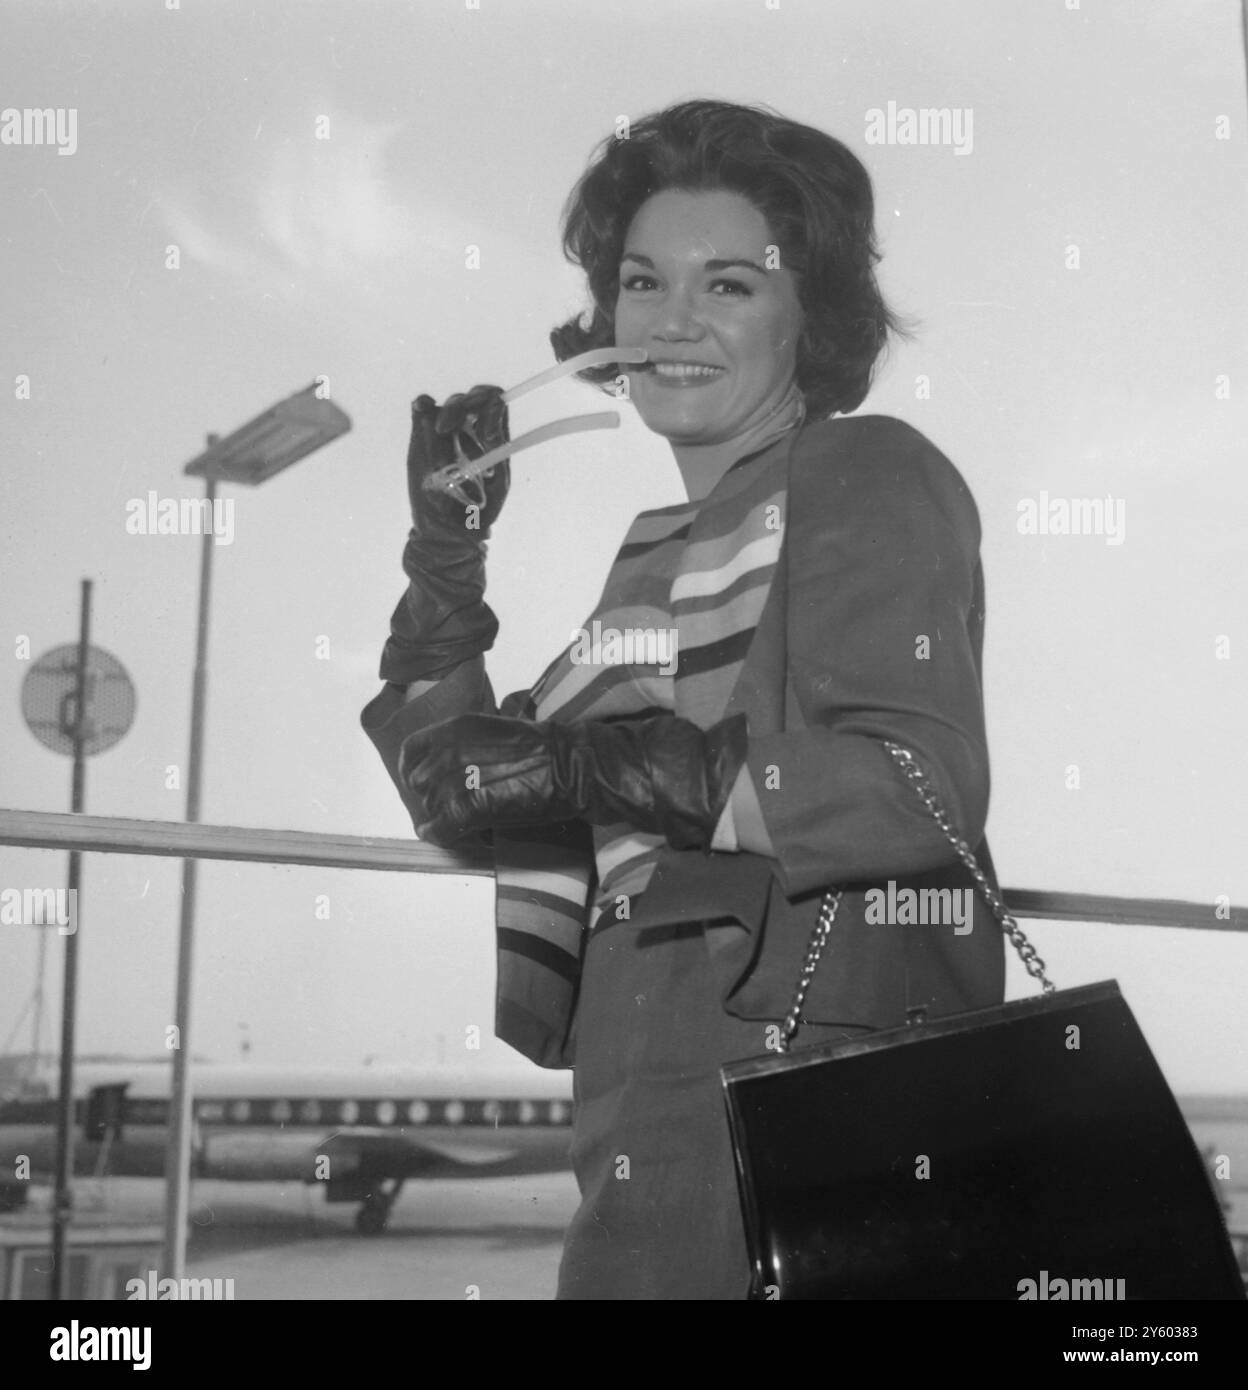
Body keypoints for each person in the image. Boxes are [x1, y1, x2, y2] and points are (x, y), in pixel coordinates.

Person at [360, 99, 1004, 1299]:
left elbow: (918, 790)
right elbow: (459, 788)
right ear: (604, 325)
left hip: (806, 1088)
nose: (674, 321)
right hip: (644, 1094)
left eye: (731, 286)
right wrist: (445, 562)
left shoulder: (863, 472)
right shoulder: (656, 558)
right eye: (645, 283)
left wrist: (607, 769)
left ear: (811, 318)